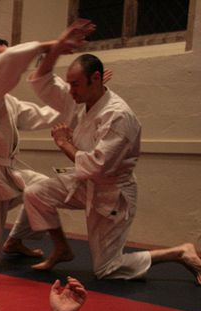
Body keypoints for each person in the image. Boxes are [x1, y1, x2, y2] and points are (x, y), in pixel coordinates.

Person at [25, 26, 201, 285]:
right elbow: (42, 81)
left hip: (112, 193)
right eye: (70, 85)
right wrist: (56, 48)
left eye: (75, 85)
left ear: (96, 79)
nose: (71, 91)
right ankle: (62, 248)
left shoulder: (118, 116)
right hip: (86, 183)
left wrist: (65, 144)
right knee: (35, 193)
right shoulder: (85, 102)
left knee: (107, 269)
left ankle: (178, 252)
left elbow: (97, 166)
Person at [0, 21, 94, 269]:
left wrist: (82, 96)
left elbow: (47, 115)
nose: (11, 66)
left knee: (42, 190)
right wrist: (52, 46)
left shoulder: (9, 102)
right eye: (0, 58)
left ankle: (16, 240)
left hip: (8, 171)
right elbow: (11, 60)